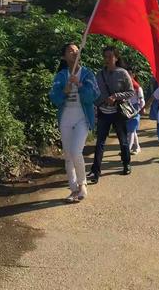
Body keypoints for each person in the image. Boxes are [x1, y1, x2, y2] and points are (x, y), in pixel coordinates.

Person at [49, 43, 100, 203]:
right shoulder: (61, 76)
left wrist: (79, 85)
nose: (74, 52)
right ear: (64, 56)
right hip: (66, 118)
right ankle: (73, 189)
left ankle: (82, 183)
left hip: (82, 118)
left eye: (76, 50)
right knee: (68, 155)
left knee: (76, 151)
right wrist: (64, 91)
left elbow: (93, 95)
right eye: (70, 50)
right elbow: (55, 98)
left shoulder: (87, 74)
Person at [88, 46, 135, 184]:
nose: (107, 59)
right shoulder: (99, 74)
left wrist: (115, 96)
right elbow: (95, 92)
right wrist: (98, 104)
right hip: (103, 113)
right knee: (100, 143)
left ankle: (126, 163)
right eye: (105, 57)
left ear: (116, 57)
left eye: (110, 56)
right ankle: (96, 171)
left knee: (123, 140)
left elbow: (131, 92)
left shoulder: (123, 73)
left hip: (118, 113)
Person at [126, 68, 145, 155]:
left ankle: (127, 150)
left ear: (133, 75)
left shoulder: (137, 87)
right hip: (126, 109)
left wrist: (140, 108)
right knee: (131, 130)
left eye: (129, 74)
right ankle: (137, 147)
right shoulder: (124, 86)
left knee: (131, 130)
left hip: (135, 109)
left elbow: (142, 100)